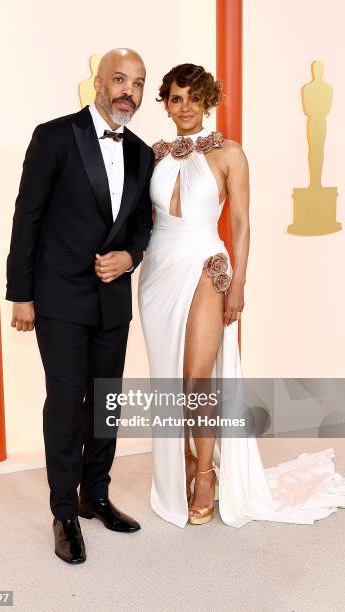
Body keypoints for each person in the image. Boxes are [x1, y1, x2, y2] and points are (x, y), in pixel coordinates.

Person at [138, 63, 345, 528]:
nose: (185, 106)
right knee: (169, 379)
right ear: (166, 104)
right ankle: (185, 462)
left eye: (194, 98)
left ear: (207, 101)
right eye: (175, 98)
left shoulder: (229, 153)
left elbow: (241, 223)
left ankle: (207, 473)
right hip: (158, 275)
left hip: (207, 267)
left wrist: (240, 285)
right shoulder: (152, 155)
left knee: (197, 378)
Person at [6, 48, 155, 563]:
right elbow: (28, 217)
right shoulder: (54, 136)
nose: (127, 92)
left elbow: (142, 224)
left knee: (105, 402)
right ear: (97, 81)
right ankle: (64, 512)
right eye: (119, 79)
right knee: (68, 405)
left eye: (137, 84)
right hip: (58, 295)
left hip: (112, 298)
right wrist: (21, 294)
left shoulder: (141, 151)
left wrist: (130, 257)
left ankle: (95, 496)